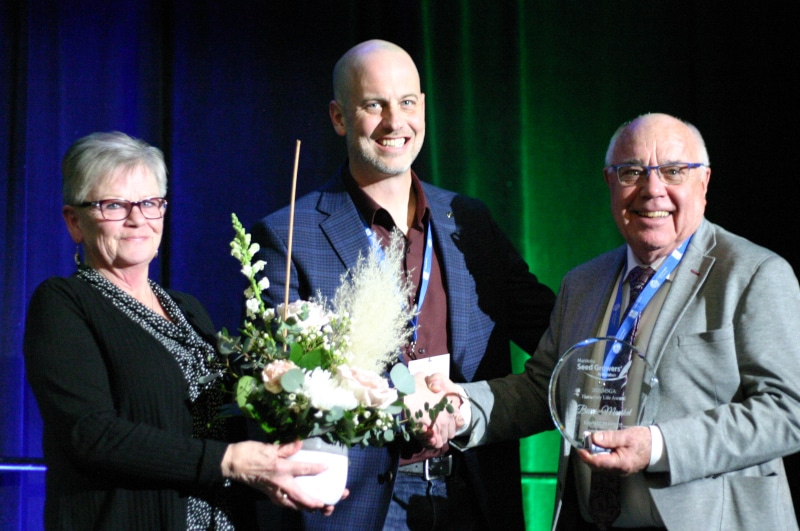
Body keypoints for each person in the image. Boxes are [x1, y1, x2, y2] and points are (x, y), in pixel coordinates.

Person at [422, 113, 800, 530]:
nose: (652, 189)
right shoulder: (583, 283)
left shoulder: (753, 273)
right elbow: (543, 388)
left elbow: (786, 411)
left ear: (704, 181)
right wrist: (461, 408)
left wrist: (657, 446)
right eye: (631, 172)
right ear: (609, 182)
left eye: (673, 171)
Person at [250, 39, 555, 530]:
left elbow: (551, 329)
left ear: (425, 110)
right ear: (339, 117)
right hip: (362, 504)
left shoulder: (468, 221)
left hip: (473, 489)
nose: (396, 123)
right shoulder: (291, 233)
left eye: (407, 102)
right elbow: (279, 392)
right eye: (374, 105)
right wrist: (395, 410)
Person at [23, 131, 343, 530]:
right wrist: (229, 462)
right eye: (114, 206)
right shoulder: (63, 303)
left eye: (149, 203)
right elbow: (91, 435)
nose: (137, 218)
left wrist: (276, 466)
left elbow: (215, 427)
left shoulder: (188, 310)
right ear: (74, 222)